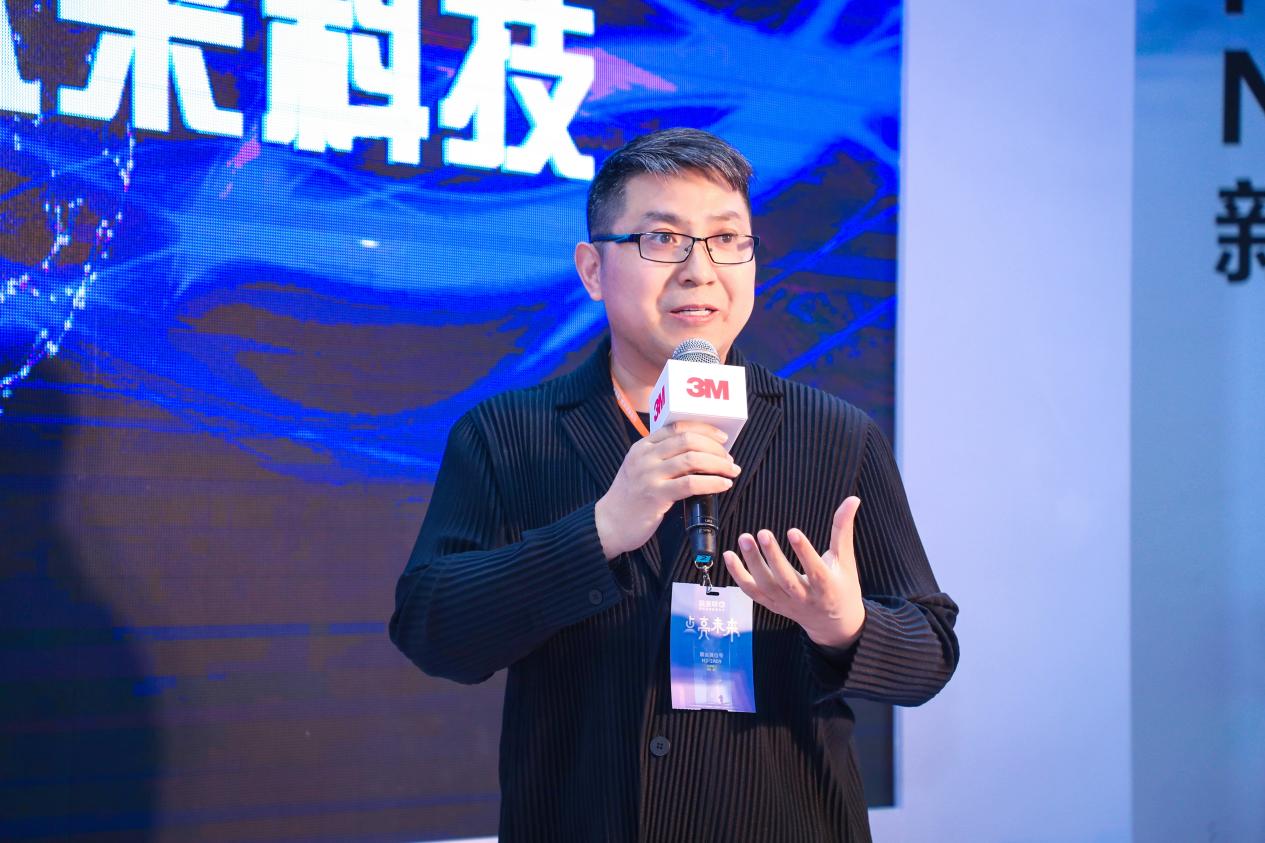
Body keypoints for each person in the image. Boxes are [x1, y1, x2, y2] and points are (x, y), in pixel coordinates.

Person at [390, 128, 959, 842]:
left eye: (727, 239)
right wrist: (598, 531)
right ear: (593, 269)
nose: (700, 270)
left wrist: (845, 624)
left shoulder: (836, 434)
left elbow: (929, 655)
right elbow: (432, 631)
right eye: (663, 239)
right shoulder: (506, 433)